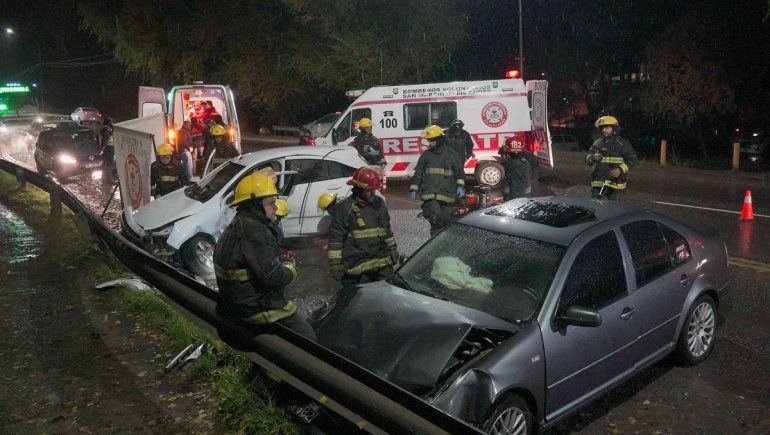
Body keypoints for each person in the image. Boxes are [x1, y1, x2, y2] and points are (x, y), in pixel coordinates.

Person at [213, 173, 316, 340]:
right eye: (271, 203)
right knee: (308, 338)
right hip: (255, 308)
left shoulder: (239, 224)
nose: (276, 207)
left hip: (237, 303)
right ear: (256, 205)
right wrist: (290, 267)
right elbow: (274, 277)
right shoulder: (254, 232)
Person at [327, 167, 398, 289]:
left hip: (381, 262)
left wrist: (393, 249)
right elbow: (336, 238)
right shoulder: (345, 208)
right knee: (357, 301)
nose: (373, 193)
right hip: (357, 266)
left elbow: (386, 230)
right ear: (359, 189)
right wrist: (335, 263)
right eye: (369, 190)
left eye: (374, 190)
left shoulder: (379, 204)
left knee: (387, 296)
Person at [409, 125, 465, 236]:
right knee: (436, 219)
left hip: (446, 194)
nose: (430, 143)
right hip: (430, 194)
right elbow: (418, 173)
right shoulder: (426, 155)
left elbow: (459, 172)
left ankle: (443, 245)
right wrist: (414, 188)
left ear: (440, 138)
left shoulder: (451, 154)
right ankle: (435, 247)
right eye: (429, 140)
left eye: (433, 140)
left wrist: (460, 186)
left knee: (446, 221)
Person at [586, 115, 637, 200]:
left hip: (615, 185)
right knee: (596, 209)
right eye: (602, 128)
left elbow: (632, 159)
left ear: (614, 128)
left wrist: (620, 170)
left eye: (606, 127)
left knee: (614, 210)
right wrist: (592, 158)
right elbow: (587, 159)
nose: (604, 130)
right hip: (598, 184)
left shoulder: (623, 143)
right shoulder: (596, 143)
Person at [99, 116, 114, 184]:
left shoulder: (106, 128)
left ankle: (104, 178)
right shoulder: (108, 129)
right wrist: (102, 149)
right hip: (109, 148)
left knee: (106, 163)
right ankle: (109, 180)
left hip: (107, 148)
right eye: (111, 122)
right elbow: (105, 140)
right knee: (109, 164)